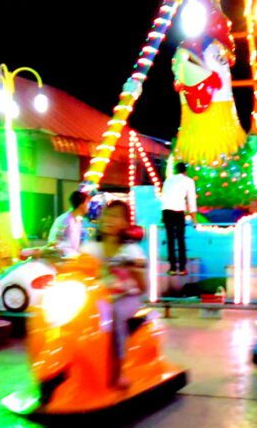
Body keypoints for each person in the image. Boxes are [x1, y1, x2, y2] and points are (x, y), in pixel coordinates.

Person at [80, 200, 146, 388]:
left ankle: (119, 370)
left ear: (125, 223)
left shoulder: (131, 251)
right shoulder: (90, 249)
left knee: (112, 314)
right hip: (97, 297)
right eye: (107, 214)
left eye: (116, 216)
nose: (109, 219)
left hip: (126, 298)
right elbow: (78, 264)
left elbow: (142, 287)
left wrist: (133, 268)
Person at [160, 162, 197, 276]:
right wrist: (194, 217)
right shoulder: (189, 181)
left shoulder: (168, 180)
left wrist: (163, 215)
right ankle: (182, 268)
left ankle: (172, 268)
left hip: (166, 211)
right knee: (180, 239)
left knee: (170, 239)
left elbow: (164, 196)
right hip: (178, 211)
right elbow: (191, 199)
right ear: (185, 171)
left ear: (176, 170)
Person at [47, 191, 90, 257]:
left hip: (73, 260)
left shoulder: (78, 222)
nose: (89, 206)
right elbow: (53, 242)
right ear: (81, 205)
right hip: (62, 260)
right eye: (87, 203)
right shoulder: (64, 220)